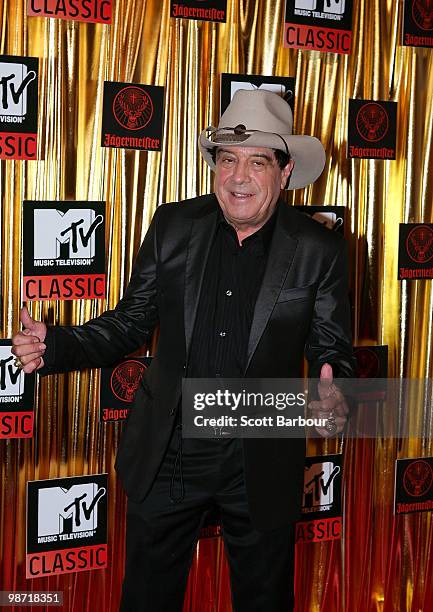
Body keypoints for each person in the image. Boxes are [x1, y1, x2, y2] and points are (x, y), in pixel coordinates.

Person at [12, 89, 354, 611]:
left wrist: (334, 390)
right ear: (214, 166)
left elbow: (332, 348)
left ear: (284, 173)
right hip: (170, 447)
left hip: (258, 453)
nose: (239, 177)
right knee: (148, 597)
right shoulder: (174, 226)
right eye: (227, 159)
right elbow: (131, 322)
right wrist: (54, 344)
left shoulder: (319, 249)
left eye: (257, 162)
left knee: (265, 599)